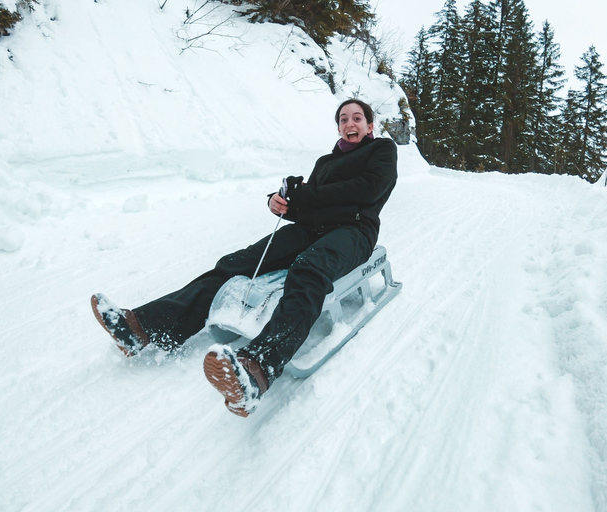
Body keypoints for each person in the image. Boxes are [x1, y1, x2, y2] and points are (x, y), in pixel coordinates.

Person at [91, 99, 398, 417]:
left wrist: (305, 195)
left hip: (353, 232)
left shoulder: (382, 151)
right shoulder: (324, 163)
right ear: (338, 127)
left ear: (369, 126)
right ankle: (143, 327)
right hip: (311, 228)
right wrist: (282, 205)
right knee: (237, 263)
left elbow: (366, 190)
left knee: (308, 270)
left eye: (357, 118)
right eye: (344, 119)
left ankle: (259, 366)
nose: (351, 123)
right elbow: (311, 206)